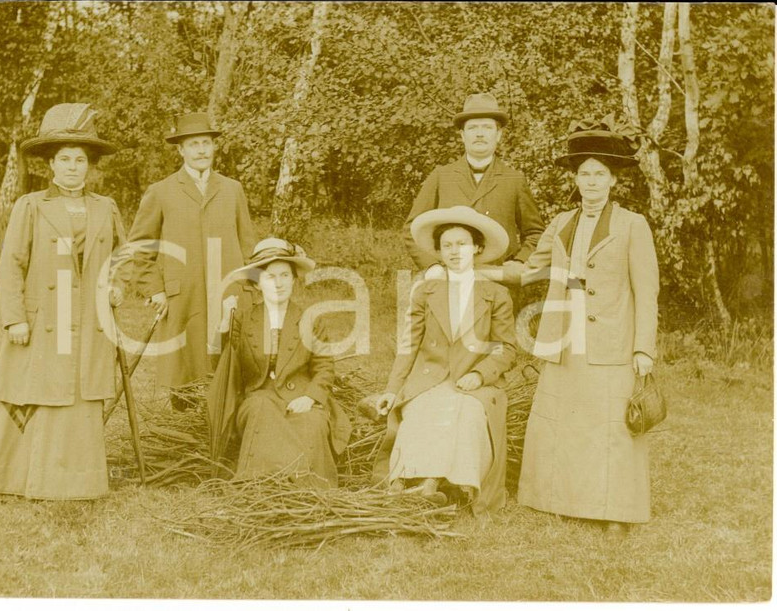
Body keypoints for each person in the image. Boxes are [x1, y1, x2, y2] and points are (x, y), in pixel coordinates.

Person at [515, 116, 659, 538]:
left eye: (599, 174)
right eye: (584, 174)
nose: (591, 182)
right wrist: (472, 268)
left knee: (612, 427)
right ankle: (563, 501)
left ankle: (617, 511)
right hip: (566, 337)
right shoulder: (561, 222)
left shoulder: (632, 225)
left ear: (613, 180)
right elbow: (529, 269)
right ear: (575, 179)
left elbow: (647, 292)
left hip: (612, 339)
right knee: (564, 421)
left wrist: (643, 348)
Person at [0, 103, 125, 500]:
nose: (72, 168)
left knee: (81, 392)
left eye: (80, 160)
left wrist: (117, 285)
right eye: (64, 159)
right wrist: (14, 318)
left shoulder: (105, 207)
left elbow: (122, 257)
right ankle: (23, 479)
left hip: (88, 320)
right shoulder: (31, 206)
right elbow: (11, 263)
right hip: (45, 318)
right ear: (50, 164)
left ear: (90, 165)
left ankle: (79, 482)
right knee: (39, 391)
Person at [372, 207, 517, 512]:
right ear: (438, 252)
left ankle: (433, 484)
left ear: (477, 248)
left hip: (474, 383)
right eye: (447, 245)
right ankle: (402, 482)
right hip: (430, 377)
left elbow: (506, 348)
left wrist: (480, 374)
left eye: (462, 244)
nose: (455, 251)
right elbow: (409, 344)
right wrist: (392, 388)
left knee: (466, 410)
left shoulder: (496, 294)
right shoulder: (426, 292)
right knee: (423, 407)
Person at [127, 112, 258, 411]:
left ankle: (226, 429)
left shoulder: (232, 189)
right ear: (180, 150)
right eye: (194, 144)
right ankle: (186, 428)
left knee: (231, 373)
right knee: (184, 374)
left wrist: (251, 288)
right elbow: (140, 248)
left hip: (228, 295)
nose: (201, 150)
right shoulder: (161, 192)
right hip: (183, 298)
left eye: (206, 143)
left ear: (214, 147)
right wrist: (155, 290)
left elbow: (248, 246)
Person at [206, 238, 352, 487]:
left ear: (294, 280)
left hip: (300, 397)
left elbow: (325, 368)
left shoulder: (310, 319)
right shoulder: (244, 319)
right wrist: (223, 328)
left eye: (285, 275)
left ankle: (310, 487)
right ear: (257, 283)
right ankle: (264, 482)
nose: (278, 283)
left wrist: (310, 398)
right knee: (261, 410)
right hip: (259, 397)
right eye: (270, 277)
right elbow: (222, 366)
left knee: (313, 422)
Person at [403, 92, 545, 284]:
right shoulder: (441, 176)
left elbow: (535, 233)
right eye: (472, 128)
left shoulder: (514, 179)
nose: (479, 134)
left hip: (498, 283)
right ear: (462, 135)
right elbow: (411, 229)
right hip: (448, 280)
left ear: (499, 134)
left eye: (487, 127)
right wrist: (432, 266)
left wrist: (519, 262)